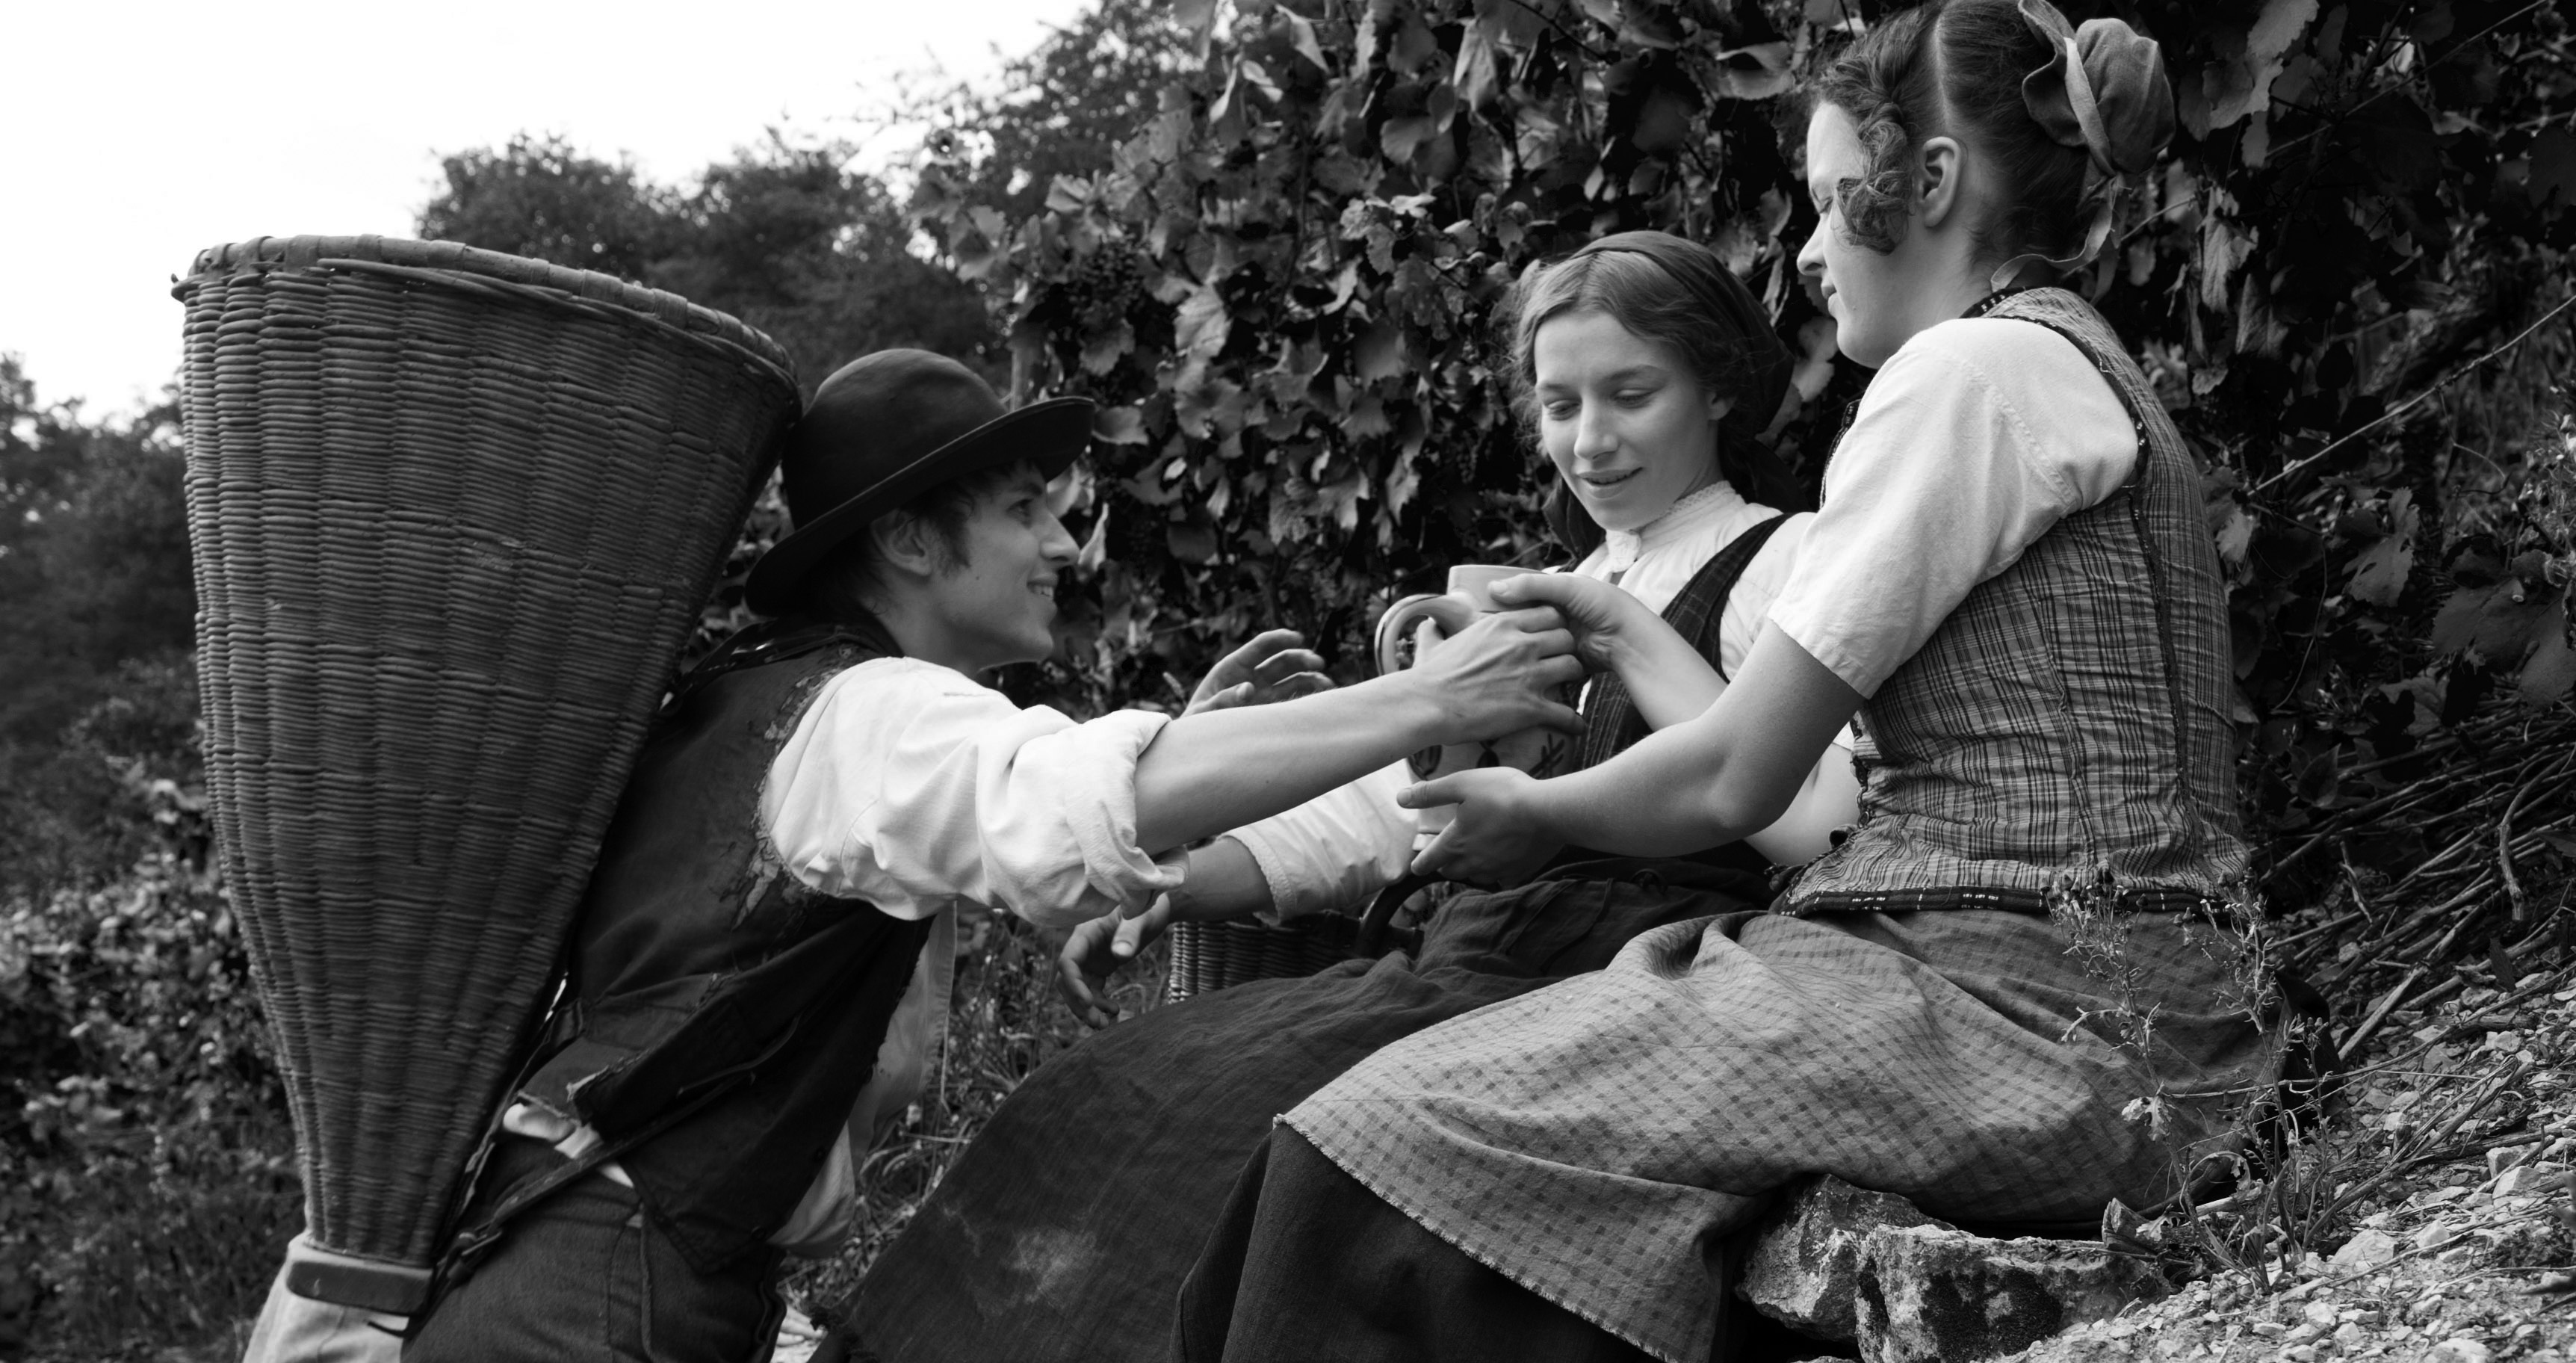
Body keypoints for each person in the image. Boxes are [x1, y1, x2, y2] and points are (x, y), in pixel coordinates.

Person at [1174, 4, 2278, 1362]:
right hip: (2124, 994)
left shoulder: (1967, 374)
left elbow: (1739, 774)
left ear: (1932, 181)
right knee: (1416, 1126)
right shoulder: (2068, 357)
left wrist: (1537, 813)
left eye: (1827, 199)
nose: (1808, 250)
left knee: (1369, 1149)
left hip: (2042, 1013)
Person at [394, 348, 1581, 1362]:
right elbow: (1061, 815)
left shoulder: (771, 697)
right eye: (1023, 510)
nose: (1063, 543)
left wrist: (1191, 766)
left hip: (601, 1271)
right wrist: (1432, 698)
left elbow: (1038, 824)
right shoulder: (863, 711)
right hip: (591, 1303)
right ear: (910, 538)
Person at [827, 231, 1860, 1363]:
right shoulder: (1547, 589)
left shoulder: (1785, 562)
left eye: (1631, 395)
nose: (1590, 440)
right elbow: (1395, 813)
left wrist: (1625, 653)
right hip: (1465, 960)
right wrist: (1179, 884)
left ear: (1718, 387)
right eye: (1560, 405)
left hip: (1622, 978)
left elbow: (1824, 815)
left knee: (1286, 1142)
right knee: (1116, 1094)